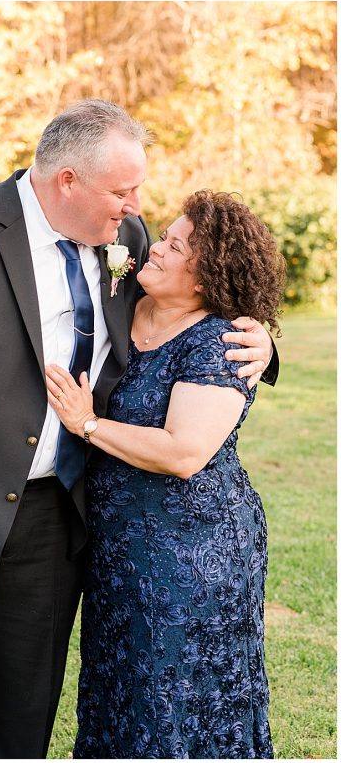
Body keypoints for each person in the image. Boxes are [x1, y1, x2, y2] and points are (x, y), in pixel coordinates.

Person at [0, 99, 278, 758]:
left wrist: (267, 349)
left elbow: (197, 316)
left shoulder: (126, 243)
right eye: (123, 190)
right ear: (67, 181)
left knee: (22, 726)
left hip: (57, 519)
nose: (137, 207)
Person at [45, 191, 281, 758]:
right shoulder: (125, 296)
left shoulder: (220, 342)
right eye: (166, 235)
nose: (154, 248)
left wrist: (88, 425)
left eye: (175, 247)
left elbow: (183, 452)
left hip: (194, 551)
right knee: (119, 687)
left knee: (175, 696)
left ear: (205, 279)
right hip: (120, 546)